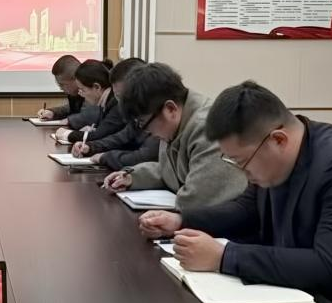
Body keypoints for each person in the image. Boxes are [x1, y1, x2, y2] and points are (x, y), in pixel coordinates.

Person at [144, 81, 332, 301]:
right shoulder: (275, 161)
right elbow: (246, 210)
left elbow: (329, 266)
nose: (241, 171)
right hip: (309, 298)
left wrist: (224, 257)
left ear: (278, 140)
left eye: (242, 161)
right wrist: (182, 220)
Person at [101, 62, 244, 212]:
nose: (146, 131)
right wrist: (132, 177)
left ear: (170, 109)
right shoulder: (173, 123)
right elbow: (170, 170)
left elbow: (199, 198)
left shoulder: (208, 128)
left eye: (143, 122)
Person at [71, 57, 160, 168]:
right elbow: (121, 137)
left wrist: (105, 157)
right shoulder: (137, 114)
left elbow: (145, 157)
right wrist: (90, 147)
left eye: (124, 97)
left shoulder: (159, 115)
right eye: (118, 97)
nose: (120, 103)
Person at [56, 58, 114, 146]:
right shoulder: (107, 101)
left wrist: (67, 134)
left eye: (82, 90)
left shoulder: (115, 104)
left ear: (97, 87)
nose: (80, 94)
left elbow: (103, 135)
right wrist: (94, 130)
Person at [36, 55, 96, 129]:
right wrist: (52, 112)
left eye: (62, 84)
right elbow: (70, 108)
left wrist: (70, 120)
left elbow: (88, 116)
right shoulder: (75, 93)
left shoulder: (91, 91)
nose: (61, 88)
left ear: (76, 79)